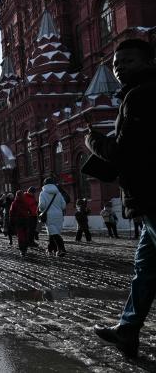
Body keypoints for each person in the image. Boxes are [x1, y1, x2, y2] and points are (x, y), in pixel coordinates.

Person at [88, 39, 156, 357]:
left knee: (146, 269)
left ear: (147, 60)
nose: (119, 68)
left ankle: (127, 330)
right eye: (116, 63)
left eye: (127, 61)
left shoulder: (142, 96)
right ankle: (127, 331)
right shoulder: (134, 94)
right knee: (144, 269)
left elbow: (128, 154)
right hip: (146, 197)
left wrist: (94, 144)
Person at [38, 177, 67, 256]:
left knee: (54, 233)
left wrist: (40, 209)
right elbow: (63, 205)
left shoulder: (43, 193)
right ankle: (50, 249)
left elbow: (42, 206)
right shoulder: (58, 193)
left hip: (49, 215)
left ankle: (62, 249)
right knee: (53, 232)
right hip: (59, 215)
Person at [9, 190, 31, 257]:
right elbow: (29, 210)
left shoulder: (14, 203)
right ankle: (25, 248)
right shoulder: (25, 202)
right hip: (26, 220)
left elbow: (11, 212)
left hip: (18, 221)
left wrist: (11, 221)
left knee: (20, 235)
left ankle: (22, 250)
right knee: (25, 234)